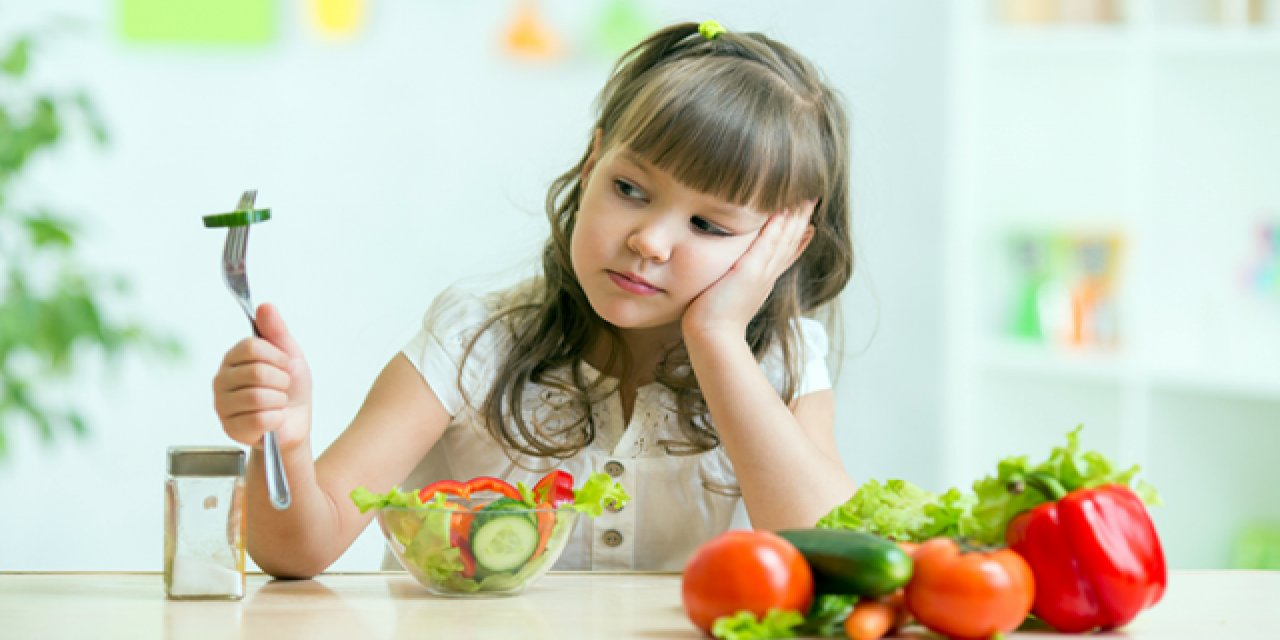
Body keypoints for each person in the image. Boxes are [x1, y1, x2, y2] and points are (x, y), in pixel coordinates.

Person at [213, 20, 857, 577]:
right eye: (631, 188)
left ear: (782, 245)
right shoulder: (474, 339)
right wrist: (285, 445)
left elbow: (830, 556)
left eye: (710, 226)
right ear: (593, 160)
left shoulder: (785, 361)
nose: (650, 241)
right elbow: (299, 550)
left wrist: (718, 338)